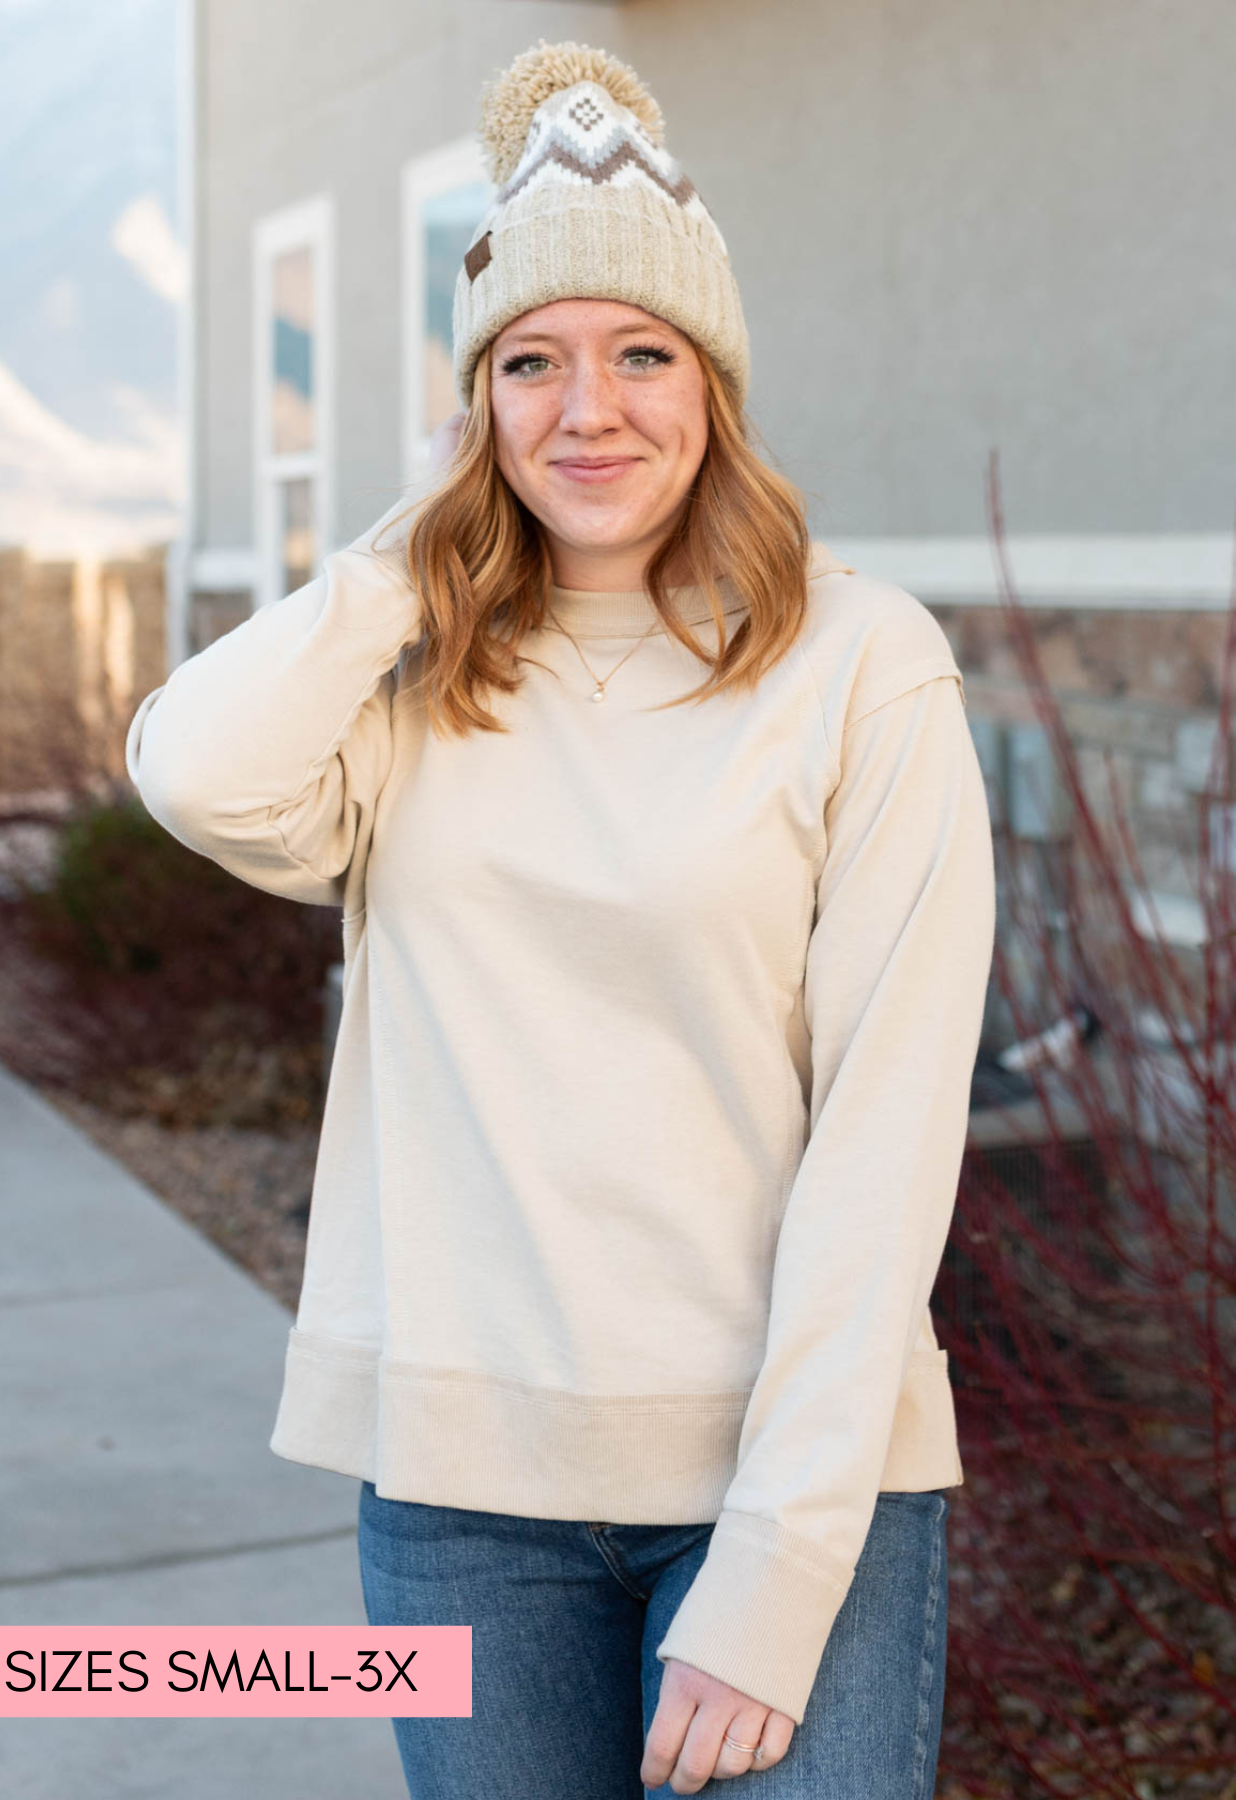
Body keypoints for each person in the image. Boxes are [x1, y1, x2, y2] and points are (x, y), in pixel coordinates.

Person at [126, 37, 995, 1800]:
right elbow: (195, 775)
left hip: (783, 1488)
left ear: (715, 382)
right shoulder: (413, 672)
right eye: (530, 362)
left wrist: (776, 1560)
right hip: (463, 1498)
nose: (586, 408)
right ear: (477, 403)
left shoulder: (861, 663)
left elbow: (886, 1138)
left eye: (639, 354)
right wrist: (404, 554)